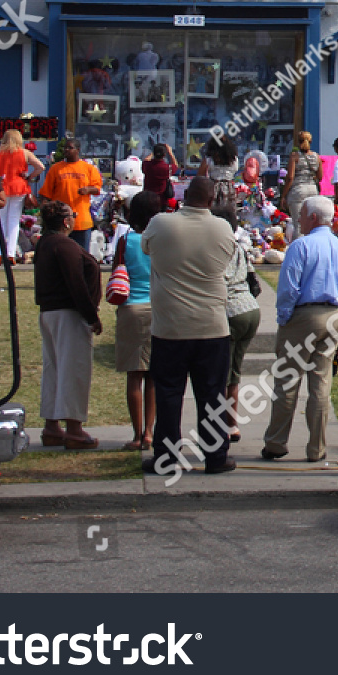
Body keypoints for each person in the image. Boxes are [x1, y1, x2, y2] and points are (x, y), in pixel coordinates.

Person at [142, 176, 238, 476]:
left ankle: (166, 456)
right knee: (212, 394)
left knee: (168, 394)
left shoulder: (160, 224)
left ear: (184, 196)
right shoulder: (222, 228)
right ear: (212, 200)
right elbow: (229, 258)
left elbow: (146, 249)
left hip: (170, 326)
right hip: (211, 325)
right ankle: (215, 455)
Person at [263, 196, 338, 463]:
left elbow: (289, 289)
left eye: (301, 215)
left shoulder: (300, 246)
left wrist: (284, 319)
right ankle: (317, 447)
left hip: (304, 315)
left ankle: (277, 442)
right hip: (334, 315)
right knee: (321, 382)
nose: (299, 219)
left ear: (313, 218)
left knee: (288, 381)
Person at [31, 199, 103, 450]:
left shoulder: (46, 244)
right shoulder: (64, 245)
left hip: (50, 312)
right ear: (65, 221)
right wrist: (91, 316)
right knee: (73, 369)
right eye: (72, 215)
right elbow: (76, 282)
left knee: (54, 368)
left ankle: (52, 426)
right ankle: (74, 428)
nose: (74, 218)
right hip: (68, 313)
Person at [113, 191, 160, 452]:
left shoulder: (125, 240)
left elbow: (118, 272)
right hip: (157, 307)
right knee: (153, 375)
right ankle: (151, 432)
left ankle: (136, 434)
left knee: (134, 375)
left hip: (131, 307)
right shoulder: (161, 240)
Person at [214, 205, 261, 444]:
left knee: (222, 374)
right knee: (234, 372)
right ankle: (231, 425)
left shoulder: (218, 250)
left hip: (230, 310)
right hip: (250, 309)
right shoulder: (240, 248)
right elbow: (252, 278)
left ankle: (224, 424)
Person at [40, 137, 103, 252]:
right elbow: (46, 194)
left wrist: (87, 189)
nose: (66, 150)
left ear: (77, 150)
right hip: (61, 220)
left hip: (81, 220)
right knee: (61, 252)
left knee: (81, 253)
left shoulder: (88, 168)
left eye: (70, 148)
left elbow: (97, 188)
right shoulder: (56, 169)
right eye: (65, 148)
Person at [0, 128, 45, 261]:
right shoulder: (24, 153)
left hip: (2, 187)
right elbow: (41, 167)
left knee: (1, 219)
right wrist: (29, 176)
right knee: (14, 220)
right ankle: (10, 253)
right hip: (19, 186)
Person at [280, 131, 321, 242]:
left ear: (298, 142)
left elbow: (290, 178)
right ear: (311, 141)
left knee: (298, 225)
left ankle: (298, 253)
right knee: (312, 225)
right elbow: (320, 177)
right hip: (313, 191)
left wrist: (283, 196)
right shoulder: (317, 157)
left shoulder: (294, 156)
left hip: (298, 191)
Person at [198, 135, 239, 210]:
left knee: (213, 211)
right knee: (228, 211)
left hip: (213, 186)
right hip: (229, 187)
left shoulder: (209, 159)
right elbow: (235, 170)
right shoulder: (234, 159)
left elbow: (199, 176)